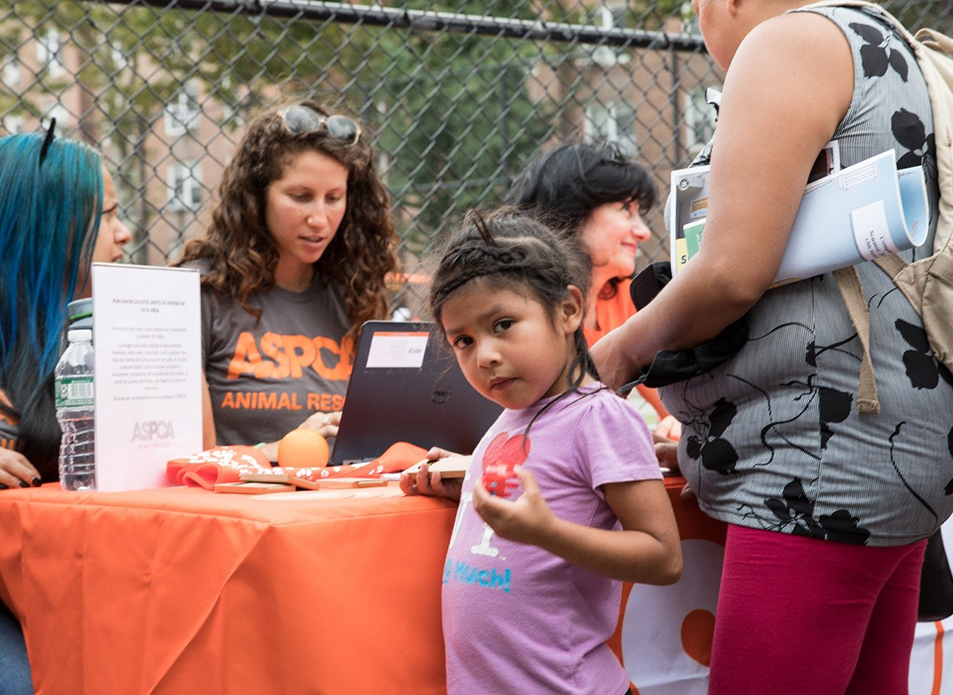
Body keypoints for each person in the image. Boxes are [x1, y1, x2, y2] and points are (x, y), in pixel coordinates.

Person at [590, 1, 953, 691]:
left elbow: (730, 272)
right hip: (897, 445)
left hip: (817, 460)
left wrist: (611, 356)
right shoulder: (888, 41)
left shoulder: (786, 44)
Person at [404, 209, 681, 694]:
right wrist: (468, 492)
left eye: (504, 323)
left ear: (569, 310)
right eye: (463, 340)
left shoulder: (600, 417)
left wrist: (546, 532)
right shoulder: (511, 416)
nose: (484, 354)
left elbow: (662, 556)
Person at [0, 130, 131, 694]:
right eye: (107, 216)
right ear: (45, 229)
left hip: (50, 597)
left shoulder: (82, 339)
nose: (125, 234)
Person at [176, 101, 398, 460]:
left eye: (334, 198)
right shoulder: (200, 294)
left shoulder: (356, 294)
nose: (319, 218)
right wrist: (279, 451)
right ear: (257, 195)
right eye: (301, 197)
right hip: (243, 508)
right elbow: (184, 461)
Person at [505, 142, 678, 440]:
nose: (643, 231)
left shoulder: (627, 298)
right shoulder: (517, 304)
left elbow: (671, 406)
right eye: (626, 210)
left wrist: (676, 424)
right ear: (571, 213)